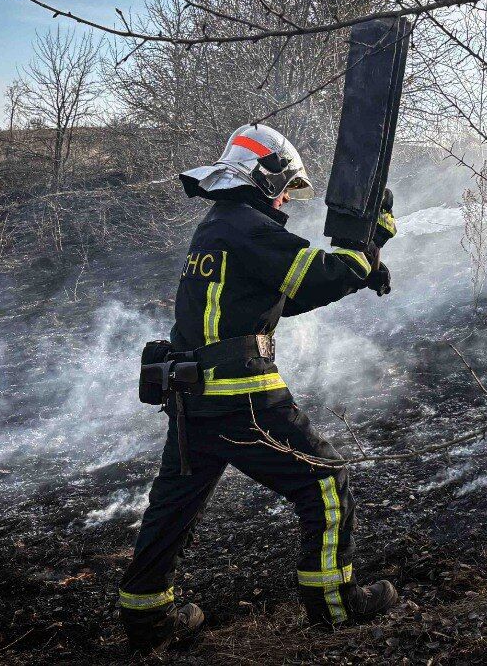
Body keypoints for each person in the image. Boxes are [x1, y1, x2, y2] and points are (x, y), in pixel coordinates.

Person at [118, 124, 399, 651]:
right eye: (286, 185)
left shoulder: (217, 228)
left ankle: (147, 620)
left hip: (193, 401)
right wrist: (370, 242)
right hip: (242, 399)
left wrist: (357, 273)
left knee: (174, 506)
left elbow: (280, 297)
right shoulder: (248, 228)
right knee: (327, 483)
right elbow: (315, 276)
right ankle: (336, 609)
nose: (288, 196)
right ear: (265, 177)